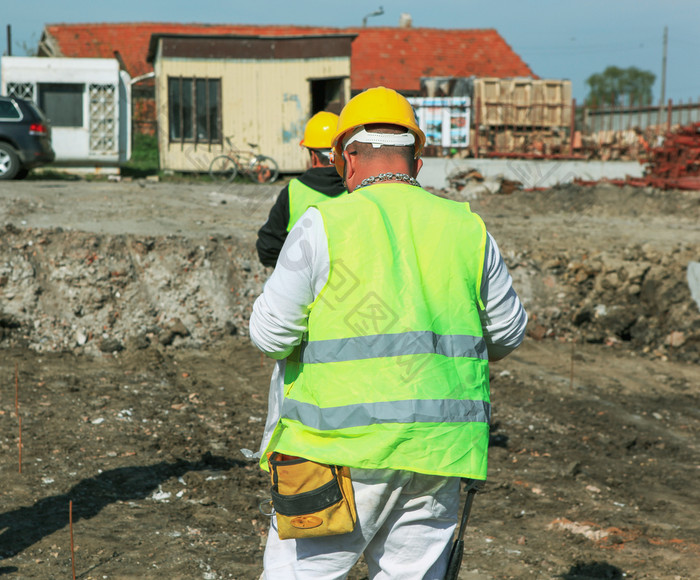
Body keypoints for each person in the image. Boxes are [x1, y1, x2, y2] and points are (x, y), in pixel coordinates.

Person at [249, 86, 527, 579]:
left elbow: (271, 336)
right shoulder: (467, 228)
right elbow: (507, 332)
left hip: (334, 453)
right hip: (439, 452)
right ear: (416, 161)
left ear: (347, 161)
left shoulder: (321, 225)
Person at [255, 111, 347, 267]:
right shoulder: (358, 191)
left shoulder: (293, 191)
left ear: (313, 156)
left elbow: (267, 248)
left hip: (303, 286)